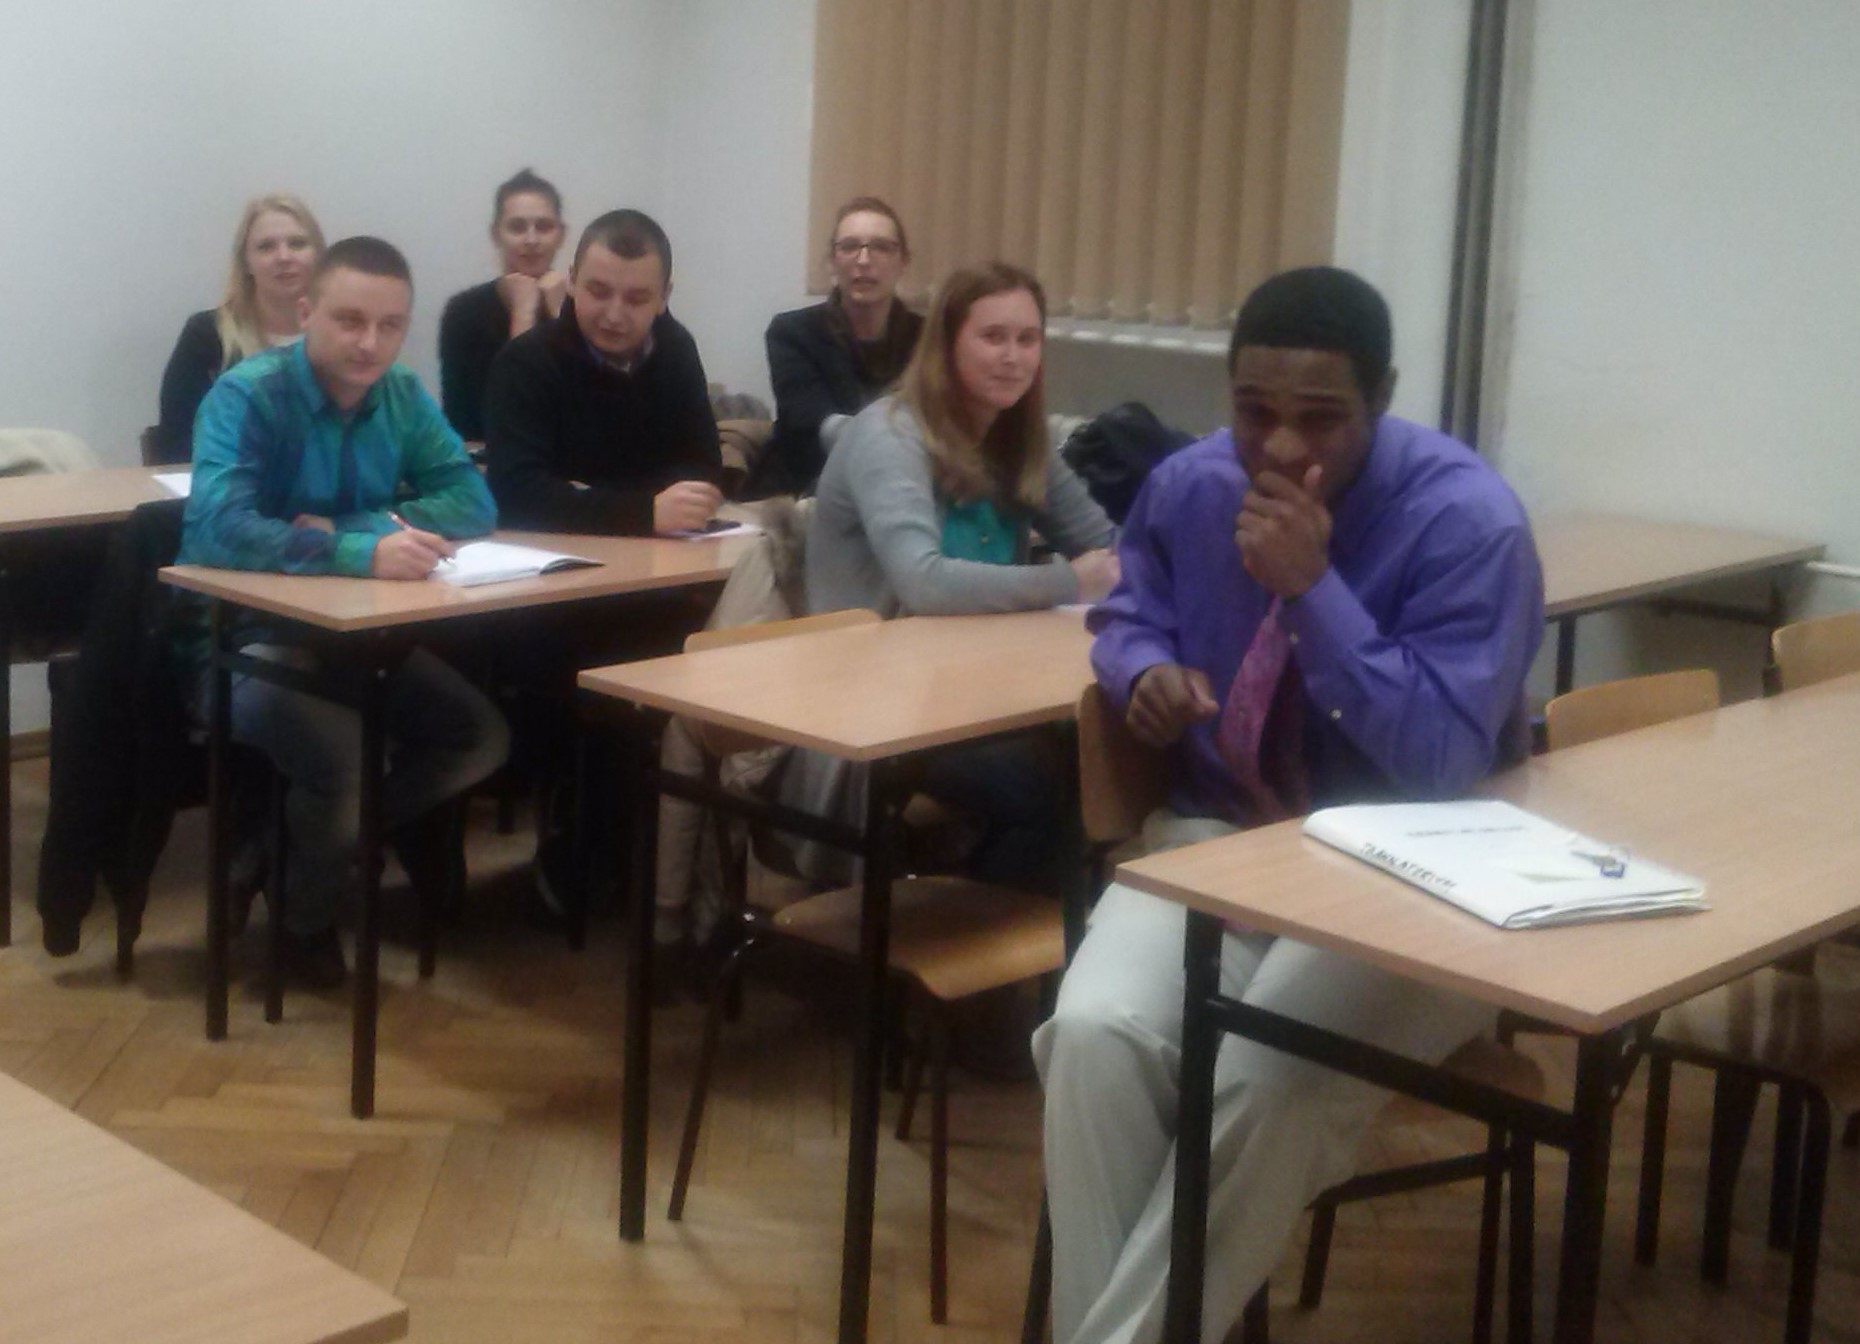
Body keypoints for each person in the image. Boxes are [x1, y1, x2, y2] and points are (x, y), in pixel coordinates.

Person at [1031, 266, 1545, 1344]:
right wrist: (1142, 669)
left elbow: (1441, 759)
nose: (1277, 446)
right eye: (1253, 411)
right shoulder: (1190, 486)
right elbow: (1128, 613)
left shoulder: (1468, 523)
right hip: (1220, 838)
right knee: (1092, 1034)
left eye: (1319, 418)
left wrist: (1316, 591)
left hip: (1411, 871)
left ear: (1382, 396)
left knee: (1266, 1083)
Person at [177, 236, 509, 989]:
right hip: (237, 641)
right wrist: (360, 552)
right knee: (346, 759)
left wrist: (351, 528)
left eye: (390, 326)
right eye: (350, 321)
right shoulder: (247, 395)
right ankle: (303, 926)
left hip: (352, 638)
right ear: (306, 313)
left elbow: (473, 501)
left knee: (479, 737)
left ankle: (284, 851)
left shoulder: (400, 393)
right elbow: (216, 526)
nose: (370, 344)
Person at [788, 261, 1118, 895]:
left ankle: (1009, 931)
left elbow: (1104, 544)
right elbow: (925, 583)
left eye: (1027, 339)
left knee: (1096, 760)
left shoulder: (1017, 436)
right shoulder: (891, 433)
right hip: (875, 699)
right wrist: (1069, 582)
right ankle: (980, 933)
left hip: (975, 683)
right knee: (1047, 787)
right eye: (993, 337)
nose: (1013, 357)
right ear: (946, 344)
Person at [484, 207, 722, 535]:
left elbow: (703, 471)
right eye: (598, 292)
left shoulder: (676, 348)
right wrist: (645, 511)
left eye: (636, 299)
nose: (614, 315)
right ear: (571, 280)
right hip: (561, 553)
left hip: (666, 549)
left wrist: (584, 496)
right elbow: (515, 495)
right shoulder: (525, 361)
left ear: (663, 297)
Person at [755, 195, 924, 496]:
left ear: (903, 263)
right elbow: (809, 422)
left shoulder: (929, 338)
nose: (864, 260)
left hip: (904, 486)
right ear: (833, 260)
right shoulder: (791, 332)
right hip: (803, 488)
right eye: (849, 246)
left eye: (881, 247)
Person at [153, 195, 325, 465]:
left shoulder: (344, 335)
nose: (284, 257)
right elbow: (176, 442)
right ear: (246, 262)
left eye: (297, 244)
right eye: (266, 247)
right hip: (229, 483)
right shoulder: (206, 335)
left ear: (319, 256)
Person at [439, 168, 568, 448]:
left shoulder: (581, 308)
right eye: (517, 227)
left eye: (544, 227)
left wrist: (561, 316)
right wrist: (523, 316)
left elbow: (584, 414)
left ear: (561, 234)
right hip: (491, 463)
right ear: (496, 234)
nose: (531, 240)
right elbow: (463, 425)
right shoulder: (463, 313)